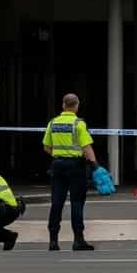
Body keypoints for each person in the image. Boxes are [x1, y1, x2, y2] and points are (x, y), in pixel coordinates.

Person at [43, 93, 99, 252]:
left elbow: (46, 147)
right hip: (76, 166)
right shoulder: (78, 124)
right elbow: (86, 147)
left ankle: (53, 241)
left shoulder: (53, 123)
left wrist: (59, 155)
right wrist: (95, 166)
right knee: (77, 202)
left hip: (57, 165)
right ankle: (78, 240)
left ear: (63, 105)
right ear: (76, 106)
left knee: (56, 203)